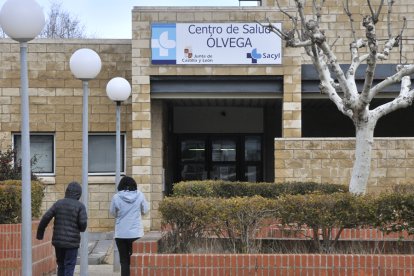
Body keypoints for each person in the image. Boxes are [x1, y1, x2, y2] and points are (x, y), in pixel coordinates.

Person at [36, 181, 87, 276]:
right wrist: (81, 228)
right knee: (69, 265)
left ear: (66, 192)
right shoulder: (80, 206)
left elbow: (46, 217)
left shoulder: (58, 204)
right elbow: (83, 223)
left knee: (61, 265)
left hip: (58, 242)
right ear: (79, 194)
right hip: (72, 243)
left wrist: (40, 233)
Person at [110, 176, 149, 276]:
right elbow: (145, 210)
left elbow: (113, 213)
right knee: (135, 260)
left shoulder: (116, 197)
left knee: (124, 261)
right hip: (136, 233)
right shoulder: (140, 195)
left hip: (121, 234)